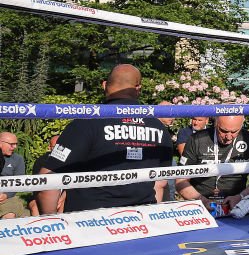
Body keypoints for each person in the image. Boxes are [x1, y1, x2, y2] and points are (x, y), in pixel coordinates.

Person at [38, 64, 174, 213]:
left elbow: (48, 182)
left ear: (104, 85)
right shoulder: (159, 127)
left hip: (89, 223)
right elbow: (160, 183)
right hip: (140, 220)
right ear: (138, 89)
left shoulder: (86, 123)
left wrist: (50, 223)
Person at [176, 115, 249, 214]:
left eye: (234, 132)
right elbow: (181, 181)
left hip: (237, 206)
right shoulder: (197, 139)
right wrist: (202, 200)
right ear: (216, 123)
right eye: (224, 131)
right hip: (200, 206)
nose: (228, 137)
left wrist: (240, 197)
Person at [30, 135, 64, 215]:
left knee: (62, 205)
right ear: (50, 147)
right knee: (34, 207)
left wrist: (62, 198)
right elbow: (36, 185)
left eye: (61, 146)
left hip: (64, 195)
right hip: (44, 194)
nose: (59, 149)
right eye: (56, 147)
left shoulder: (72, 160)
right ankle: (39, 226)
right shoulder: (41, 161)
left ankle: (61, 226)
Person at [0, 131, 29, 218]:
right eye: (11, 144)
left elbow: (19, 182)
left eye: (16, 144)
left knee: (10, 214)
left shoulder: (17, 159)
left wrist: (6, 195)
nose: (15, 147)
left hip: (7, 197)